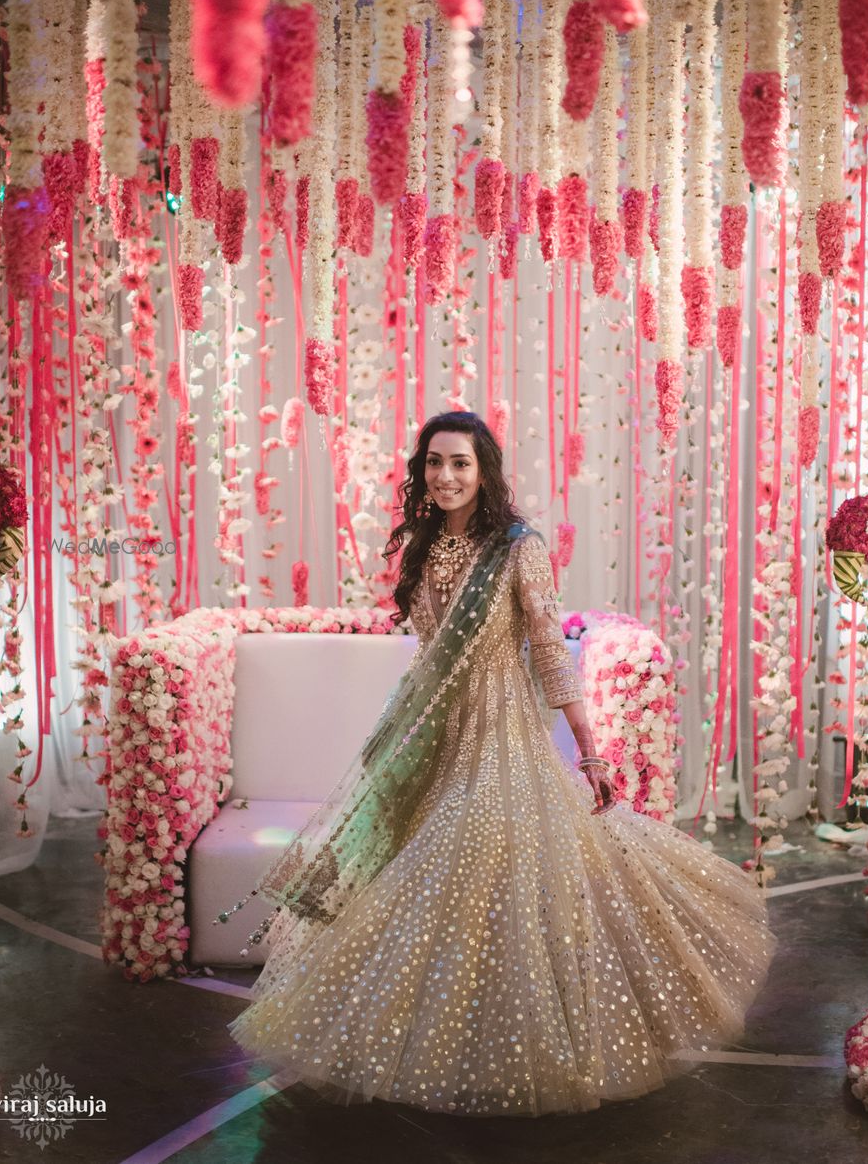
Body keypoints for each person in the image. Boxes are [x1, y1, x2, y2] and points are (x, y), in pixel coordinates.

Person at [218, 412, 774, 1116]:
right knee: (422, 884)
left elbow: (548, 649)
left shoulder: (519, 548)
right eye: (434, 463)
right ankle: (454, 1045)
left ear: (485, 471)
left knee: (488, 874)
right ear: (421, 472)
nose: (445, 477)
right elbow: (429, 653)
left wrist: (590, 749)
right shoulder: (422, 546)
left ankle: (524, 1045)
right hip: (436, 739)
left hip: (504, 737)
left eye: (460, 464)